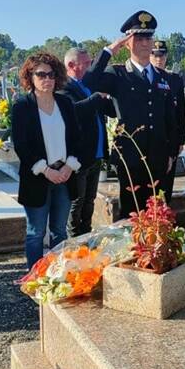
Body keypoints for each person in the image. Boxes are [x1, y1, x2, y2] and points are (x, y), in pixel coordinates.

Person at [82, 10, 178, 219]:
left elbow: (170, 117)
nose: (145, 42)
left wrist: (171, 152)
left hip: (158, 155)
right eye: (139, 38)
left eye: (148, 37)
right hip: (130, 156)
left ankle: (157, 251)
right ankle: (134, 251)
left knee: (158, 211)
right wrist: (109, 50)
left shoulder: (163, 77)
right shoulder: (117, 73)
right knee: (131, 212)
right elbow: (88, 82)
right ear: (127, 42)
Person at [12, 53, 82, 268]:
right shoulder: (22, 106)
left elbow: (77, 137)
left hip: (64, 175)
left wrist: (70, 165)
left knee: (59, 231)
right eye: (40, 74)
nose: (47, 79)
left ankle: (57, 275)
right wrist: (45, 170)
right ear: (30, 77)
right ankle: (35, 277)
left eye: (51, 74)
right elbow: (22, 145)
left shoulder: (65, 103)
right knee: (36, 232)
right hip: (38, 178)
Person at [60, 47, 115, 236]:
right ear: (71, 65)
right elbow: (73, 111)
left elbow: (110, 109)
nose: (90, 67)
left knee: (89, 201)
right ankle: (73, 242)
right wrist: (96, 98)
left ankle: (86, 238)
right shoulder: (63, 86)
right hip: (78, 156)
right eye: (86, 63)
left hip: (95, 154)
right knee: (77, 202)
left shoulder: (88, 85)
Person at [150, 40, 185, 202]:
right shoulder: (146, 77)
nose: (159, 59)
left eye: (162, 55)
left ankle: (165, 219)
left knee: (167, 186)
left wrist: (180, 140)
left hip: (170, 139)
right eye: (155, 55)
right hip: (151, 139)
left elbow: (180, 113)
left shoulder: (174, 80)